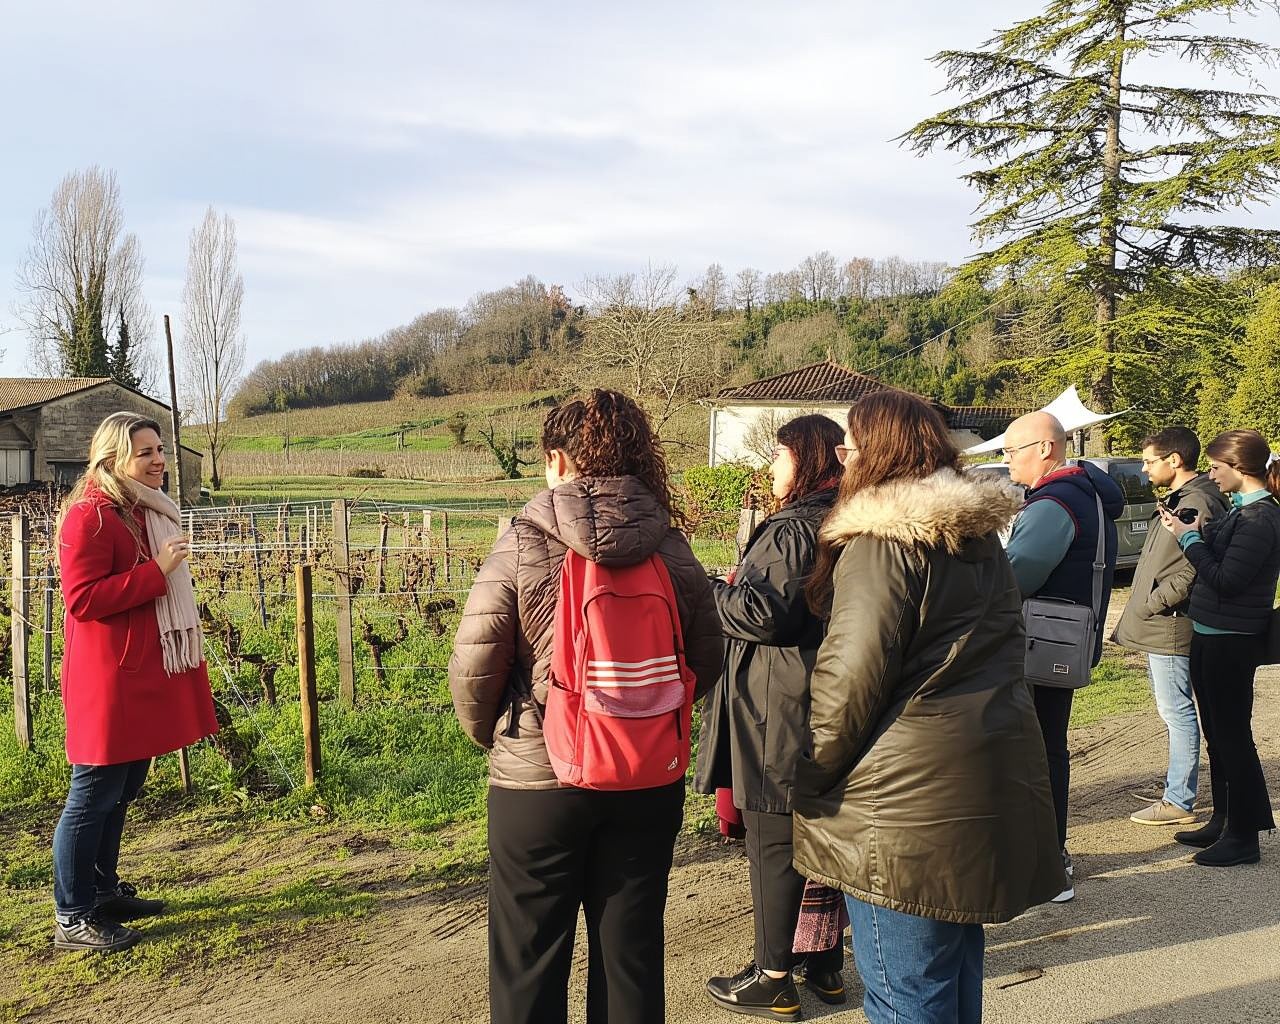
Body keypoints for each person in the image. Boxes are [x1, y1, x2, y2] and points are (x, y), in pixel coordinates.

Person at [448, 389, 724, 1024]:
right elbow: (705, 658)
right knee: (630, 956)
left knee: (528, 958)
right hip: (646, 777)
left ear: (557, 460)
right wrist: (646, 713)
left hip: (538, 782)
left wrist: (500, 734)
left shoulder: (522, 541)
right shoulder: (670, 544)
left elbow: (474, 665)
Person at [791, 391, 1065, 1024]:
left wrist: (813, 771)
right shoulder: (977, 541)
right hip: (976, 777)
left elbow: (850, 675)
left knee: (904, 993)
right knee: (954, 975)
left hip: (903, 803)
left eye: (850, 445)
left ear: (878, 452)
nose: (843, 456)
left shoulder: (882, 544)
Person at [695, 414, 846, 1019]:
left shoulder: (793, 528)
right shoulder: (840, 518)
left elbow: (765, 614)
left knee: (774, 841)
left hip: (776, 705)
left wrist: (710, 591)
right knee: (819, 836)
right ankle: (825, 965)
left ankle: (773, 974)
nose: (770, 468)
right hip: (813, 693)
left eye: (779, 456)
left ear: (805, 457)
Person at [52, 412, 218, 953]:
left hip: (141, 672)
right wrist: (158, 572)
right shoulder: (89, 516)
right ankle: (72, 915)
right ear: (112, 458)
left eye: (160, 450)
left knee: (122, 791)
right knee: (93, 792)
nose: (159, 460)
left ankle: (101, 891)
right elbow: (82, 600)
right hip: (106, 679)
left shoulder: (142, 511)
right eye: (145, 451)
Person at [1003, 411, 1123, 901]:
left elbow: (1015, 577)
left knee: (1034, 754)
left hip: (1038, 644)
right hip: (1064, 642)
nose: (1005, 459)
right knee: (1048, 747)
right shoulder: (1089, 493)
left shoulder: (1054, 503)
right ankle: (1050, 859)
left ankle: (1046, 866)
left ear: (1045, 449)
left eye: (1011, 450)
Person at [1161, 428, 1280, 867]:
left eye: (1216, 467)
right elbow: (1220, 557)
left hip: (1232, 641)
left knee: (1233, 738)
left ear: (1240, 469)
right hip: (1211, 634)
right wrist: (1190, 528)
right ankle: (1225, 818)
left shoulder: (1261, 517)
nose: (1210, 475)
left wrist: (1189, 540)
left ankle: (1244, 837)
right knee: (1218, 735)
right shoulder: (1241, 511)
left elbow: (1227, 579)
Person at [1113, 427, 1228, 826]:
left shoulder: (1197, 502)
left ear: (1174, 460)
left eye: (1149, 461)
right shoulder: (1187, 498)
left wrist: (1154, 603)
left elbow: (1199, 565)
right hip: (1165, 622)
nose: (1144, 470)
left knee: (1177, 712)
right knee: (1177, 710)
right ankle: (1179, 791)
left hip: (1171, 625)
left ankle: (1179, 799)